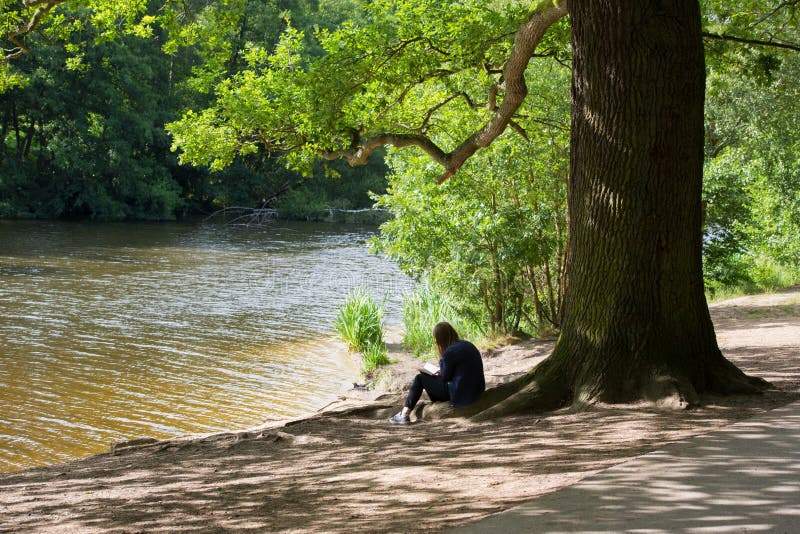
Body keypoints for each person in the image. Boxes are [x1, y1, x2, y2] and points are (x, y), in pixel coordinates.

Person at [388, 321, 485, 424]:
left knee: (420, 378)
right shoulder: (467, 344)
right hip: (477, 390)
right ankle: (405, 413)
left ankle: (404, 414)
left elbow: (445, 378)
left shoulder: (449, 353)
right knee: (430, 378)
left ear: (439, 340)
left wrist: (441, 359)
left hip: (461, 396)